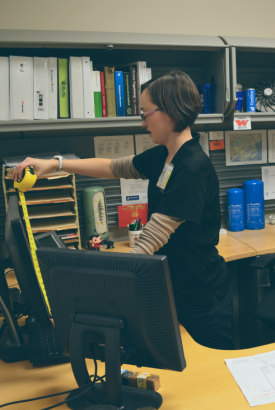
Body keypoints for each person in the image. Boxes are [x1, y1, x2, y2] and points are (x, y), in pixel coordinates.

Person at [12, 71, 234, 349]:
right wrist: (55, 165)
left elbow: (151, 240)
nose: (142, 123)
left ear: (170, 111)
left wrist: (87, 297)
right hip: (175, 288)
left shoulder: (192, 168)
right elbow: (113, 167)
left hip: (201, 297)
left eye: (145, 113)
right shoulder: (165, 155)